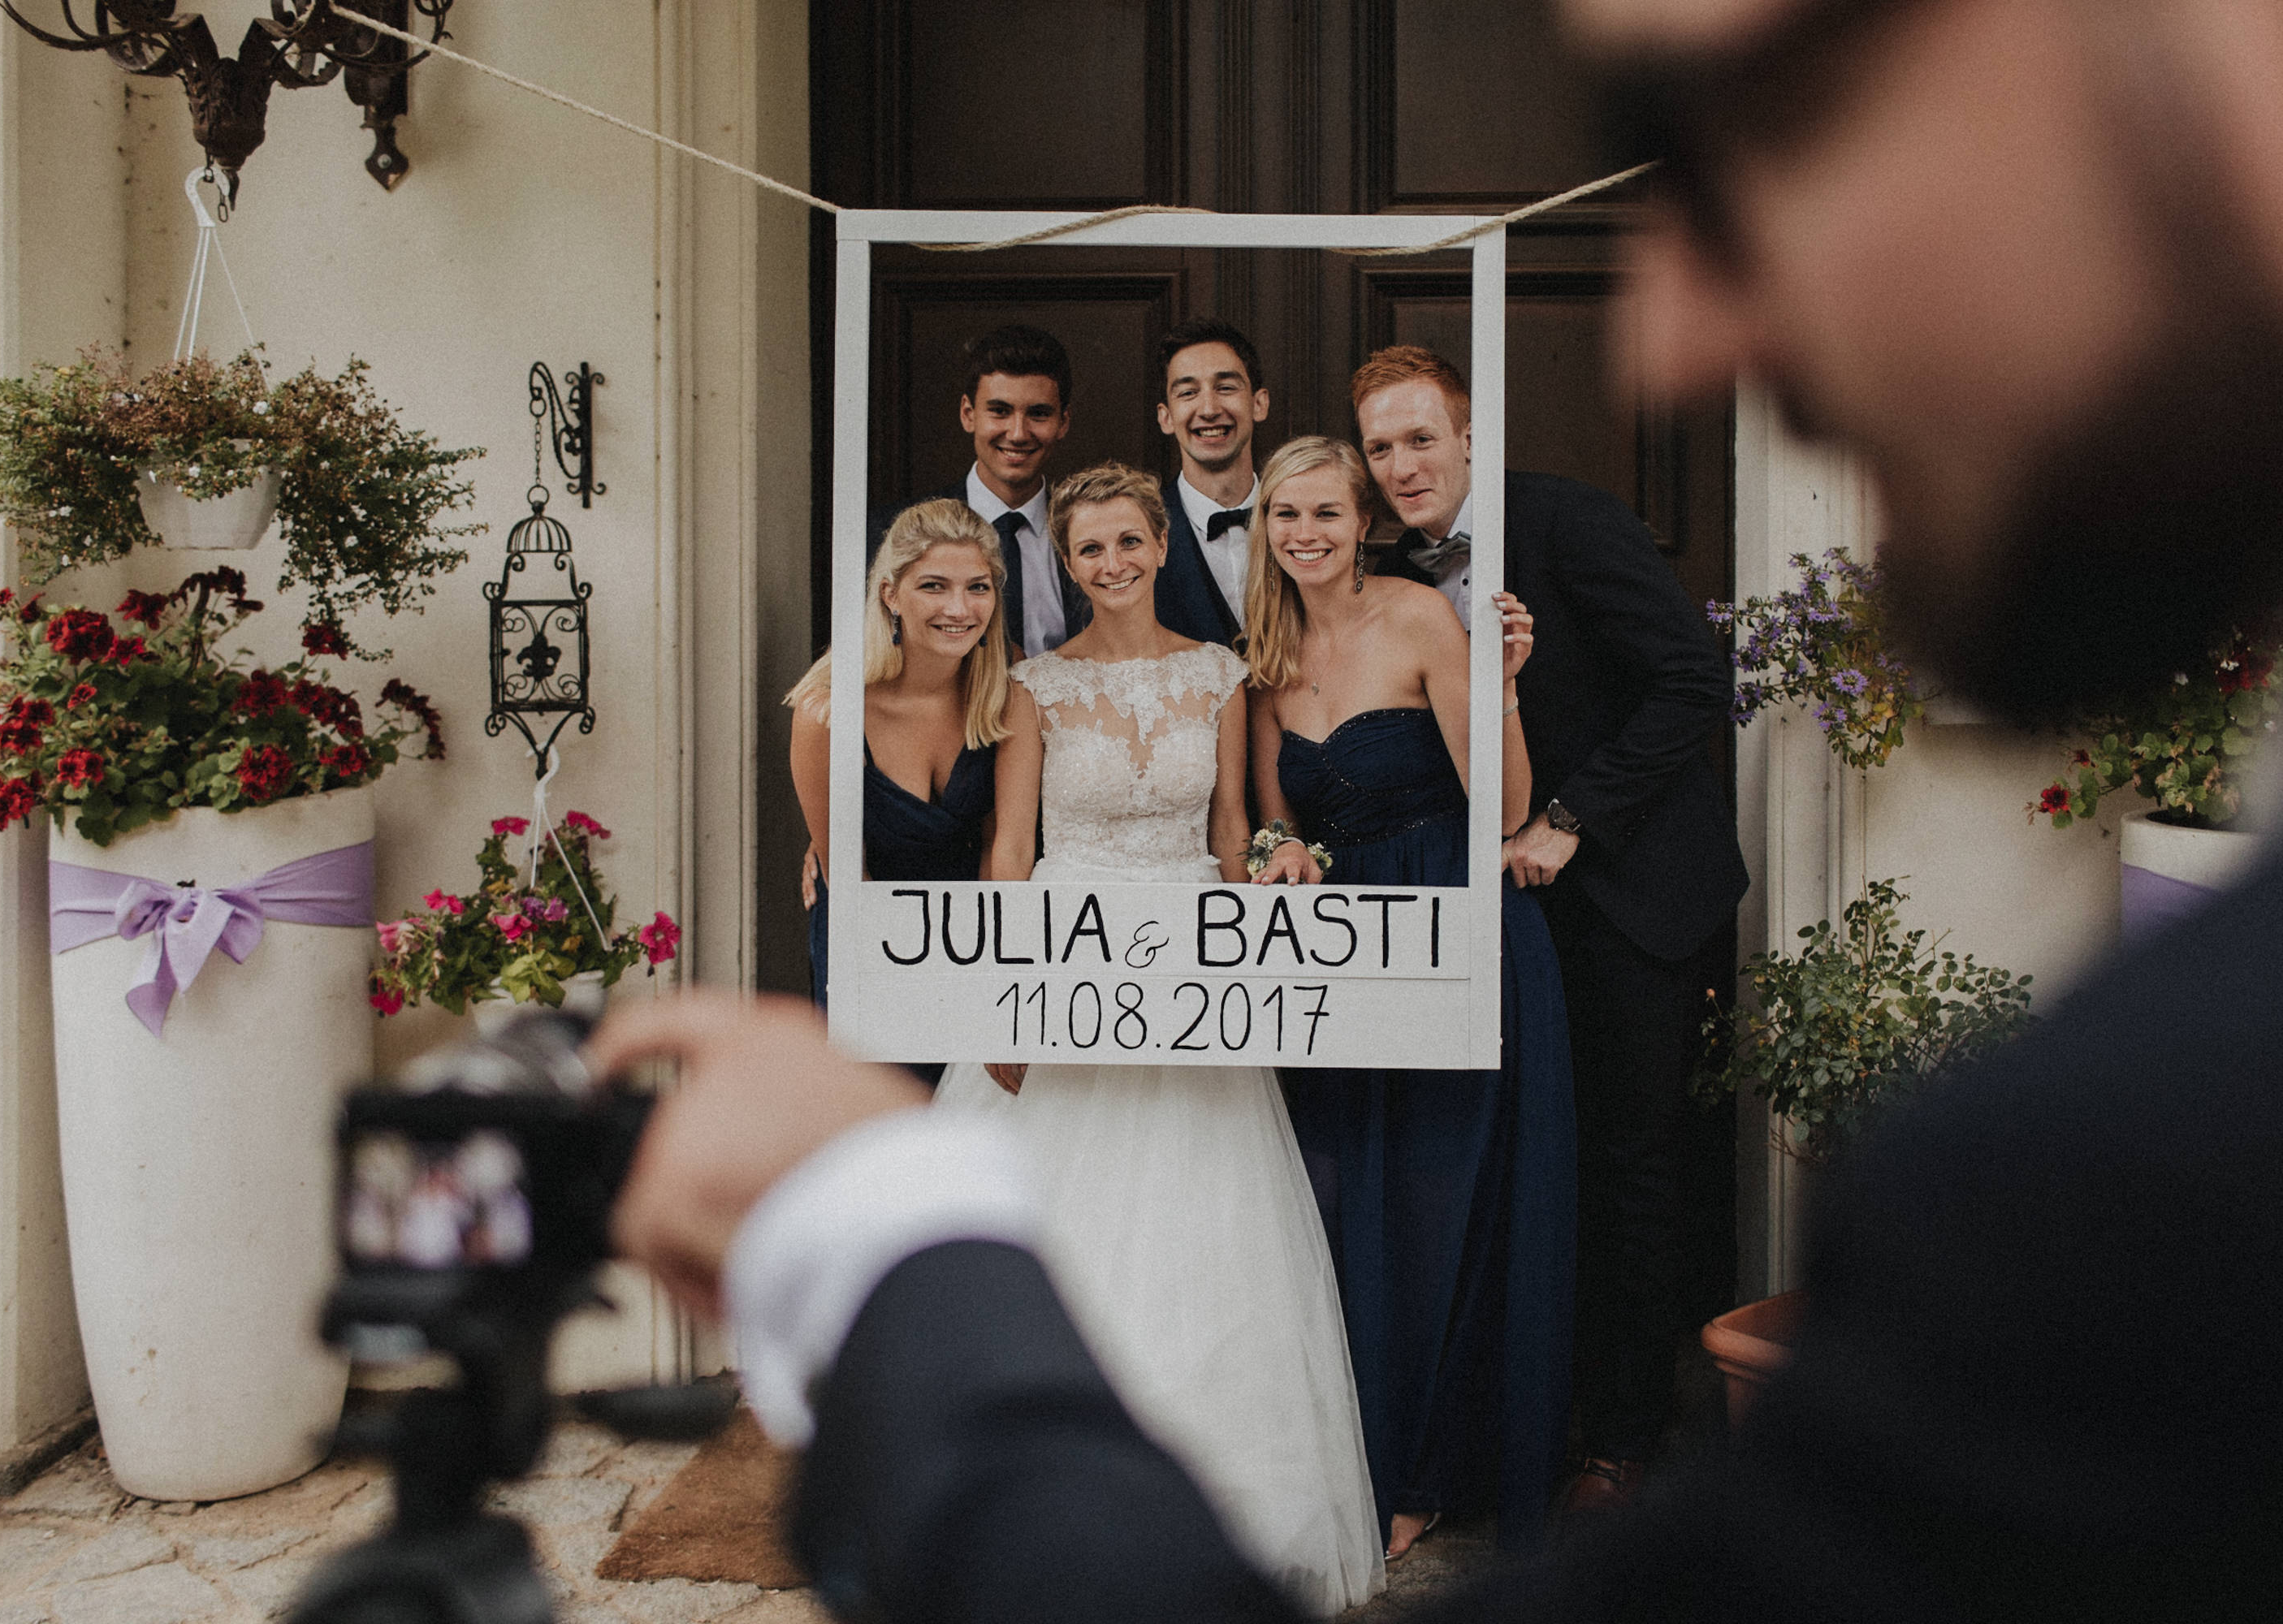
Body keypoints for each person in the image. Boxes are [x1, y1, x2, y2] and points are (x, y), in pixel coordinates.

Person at [593, 0, 2283, 1616]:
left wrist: (875, 1237)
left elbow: (1574, 745)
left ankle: (1561, 1438)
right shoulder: (2134, 1157)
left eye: (1781, 110)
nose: (1674, 325)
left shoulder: (2109, 1170)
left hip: (1501, 920)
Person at [933, 461, 1385, 1615]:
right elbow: (1009, 848)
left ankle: (1224, 1511)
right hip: (1069, 977)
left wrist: (1260, 927)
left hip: (1194, 984)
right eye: (1088, 550)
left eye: (1128, 542)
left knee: (1208, 1239)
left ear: (1155, 546)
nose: (1112, 564)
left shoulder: (1220, 673)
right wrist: (1002, 1002)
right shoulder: (1031, 683)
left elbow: (1234, 827)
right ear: (1066, 562)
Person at [1355, 344, 1749, 1508]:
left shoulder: (1566, 523)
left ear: (1469, 437)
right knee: (1535, 1162)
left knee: (1631, 1161)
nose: (1399, 465)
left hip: (1632, 895)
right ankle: (1529, 1421)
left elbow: (1691, 678)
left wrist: (1570, 819)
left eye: (1419, 438)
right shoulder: (1391, 569)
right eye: (1379, 447)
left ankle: (1626, 1440)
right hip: (1505, 916)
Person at [1241, 435, 1576, 1557]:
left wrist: (1507, 692)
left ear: (1358, 520)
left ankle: (1427, 1473)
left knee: (1442, 1203)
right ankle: (1354, 1451)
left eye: (1326, 513)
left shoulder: (1423, 617)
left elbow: (1502, 807)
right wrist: (1277, 847)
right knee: (1336, 1201)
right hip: (1331, 960)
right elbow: (1262, 819)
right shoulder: (1262, 652)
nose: (1306, 534)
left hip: (1452, 925)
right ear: (1265, 527)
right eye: (1285, 515)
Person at [786, 499, 1042, 1084]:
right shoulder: (828, 712)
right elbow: (846, 875)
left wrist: (997, 987)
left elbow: (1003, 848)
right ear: (889, 594)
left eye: (977, 587)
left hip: (977, 932)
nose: (959, 608)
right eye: (933, 586)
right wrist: (895, 992)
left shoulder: (1008, 687)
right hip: (868, 937)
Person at [897, 325, 1092, 659]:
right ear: (968, 414)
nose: (1017, 433)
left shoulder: (1088, 530)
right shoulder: (896, 531)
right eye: (1000, 411)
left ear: (1064, 422)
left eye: (1039, 414)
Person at [1151, 317, 1273, 647]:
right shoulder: (1140, 533)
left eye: (1226, 388)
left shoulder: (1304, 519)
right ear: (1166, 416)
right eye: (1188, 392)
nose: (1208, 409)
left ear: (1259, 403)